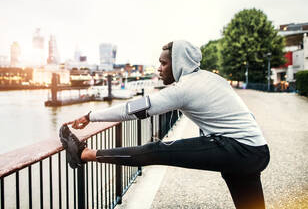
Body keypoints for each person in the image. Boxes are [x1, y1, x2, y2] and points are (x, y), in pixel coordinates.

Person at [59, 40, 270, 209]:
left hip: (238, 149)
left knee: (156, 150)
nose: (159, 69)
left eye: (163, 63)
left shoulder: (185, 88)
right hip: (256, 148)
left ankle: (84, 154)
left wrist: (90, 116)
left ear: (178, 63)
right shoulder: (210, 78)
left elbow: (133, 109)